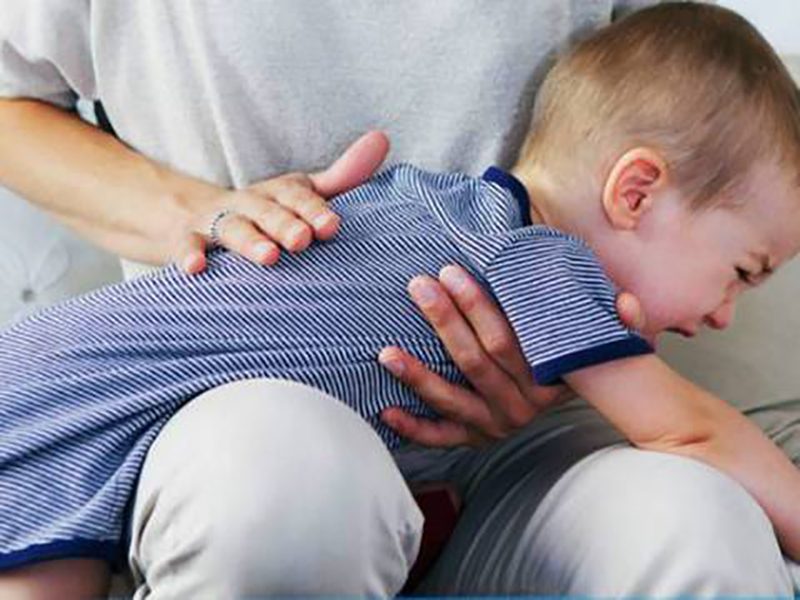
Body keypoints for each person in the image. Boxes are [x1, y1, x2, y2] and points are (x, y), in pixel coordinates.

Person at [1, 2, 797, 598]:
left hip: (44, 383)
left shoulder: (423, 202)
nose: (727, 315)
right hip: (92, 412)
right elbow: (690, 429)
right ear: (635, 188)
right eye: (744, 270)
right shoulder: (535, 259)